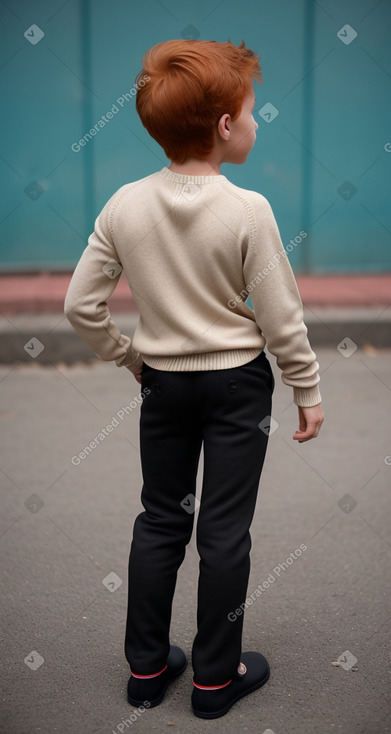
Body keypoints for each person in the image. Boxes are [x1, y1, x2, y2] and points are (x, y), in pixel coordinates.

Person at [64, 38, 324, 720]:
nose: (257, 122)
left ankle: (146, 672)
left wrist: (130, 356)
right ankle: (214, 679)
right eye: (252, 111)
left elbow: (79, 306)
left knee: (159, 519)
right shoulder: (249, 211)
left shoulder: (124, 204)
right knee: (223, 531)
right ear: (224, 127)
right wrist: (307, 388)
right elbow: (279, 317)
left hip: (164, 385)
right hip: (239, 384)